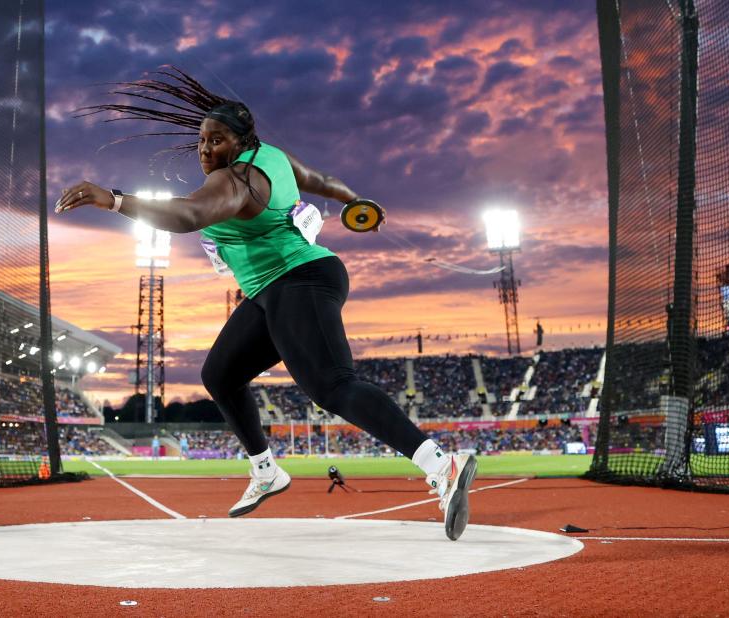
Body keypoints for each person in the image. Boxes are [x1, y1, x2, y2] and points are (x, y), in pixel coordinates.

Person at [56, 67, 477, 540]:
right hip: (273, 290)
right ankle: (265, 471)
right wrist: (356, 200)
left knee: (333, 386)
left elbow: (188, 215)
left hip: (300, 278)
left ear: (238, 143)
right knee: (219, 374)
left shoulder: (236, 181)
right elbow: (319, 179)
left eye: (215, 141)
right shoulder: (273, 157)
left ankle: (441, 464)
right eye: (201, 141)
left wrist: (114, 200)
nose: (204, 150)